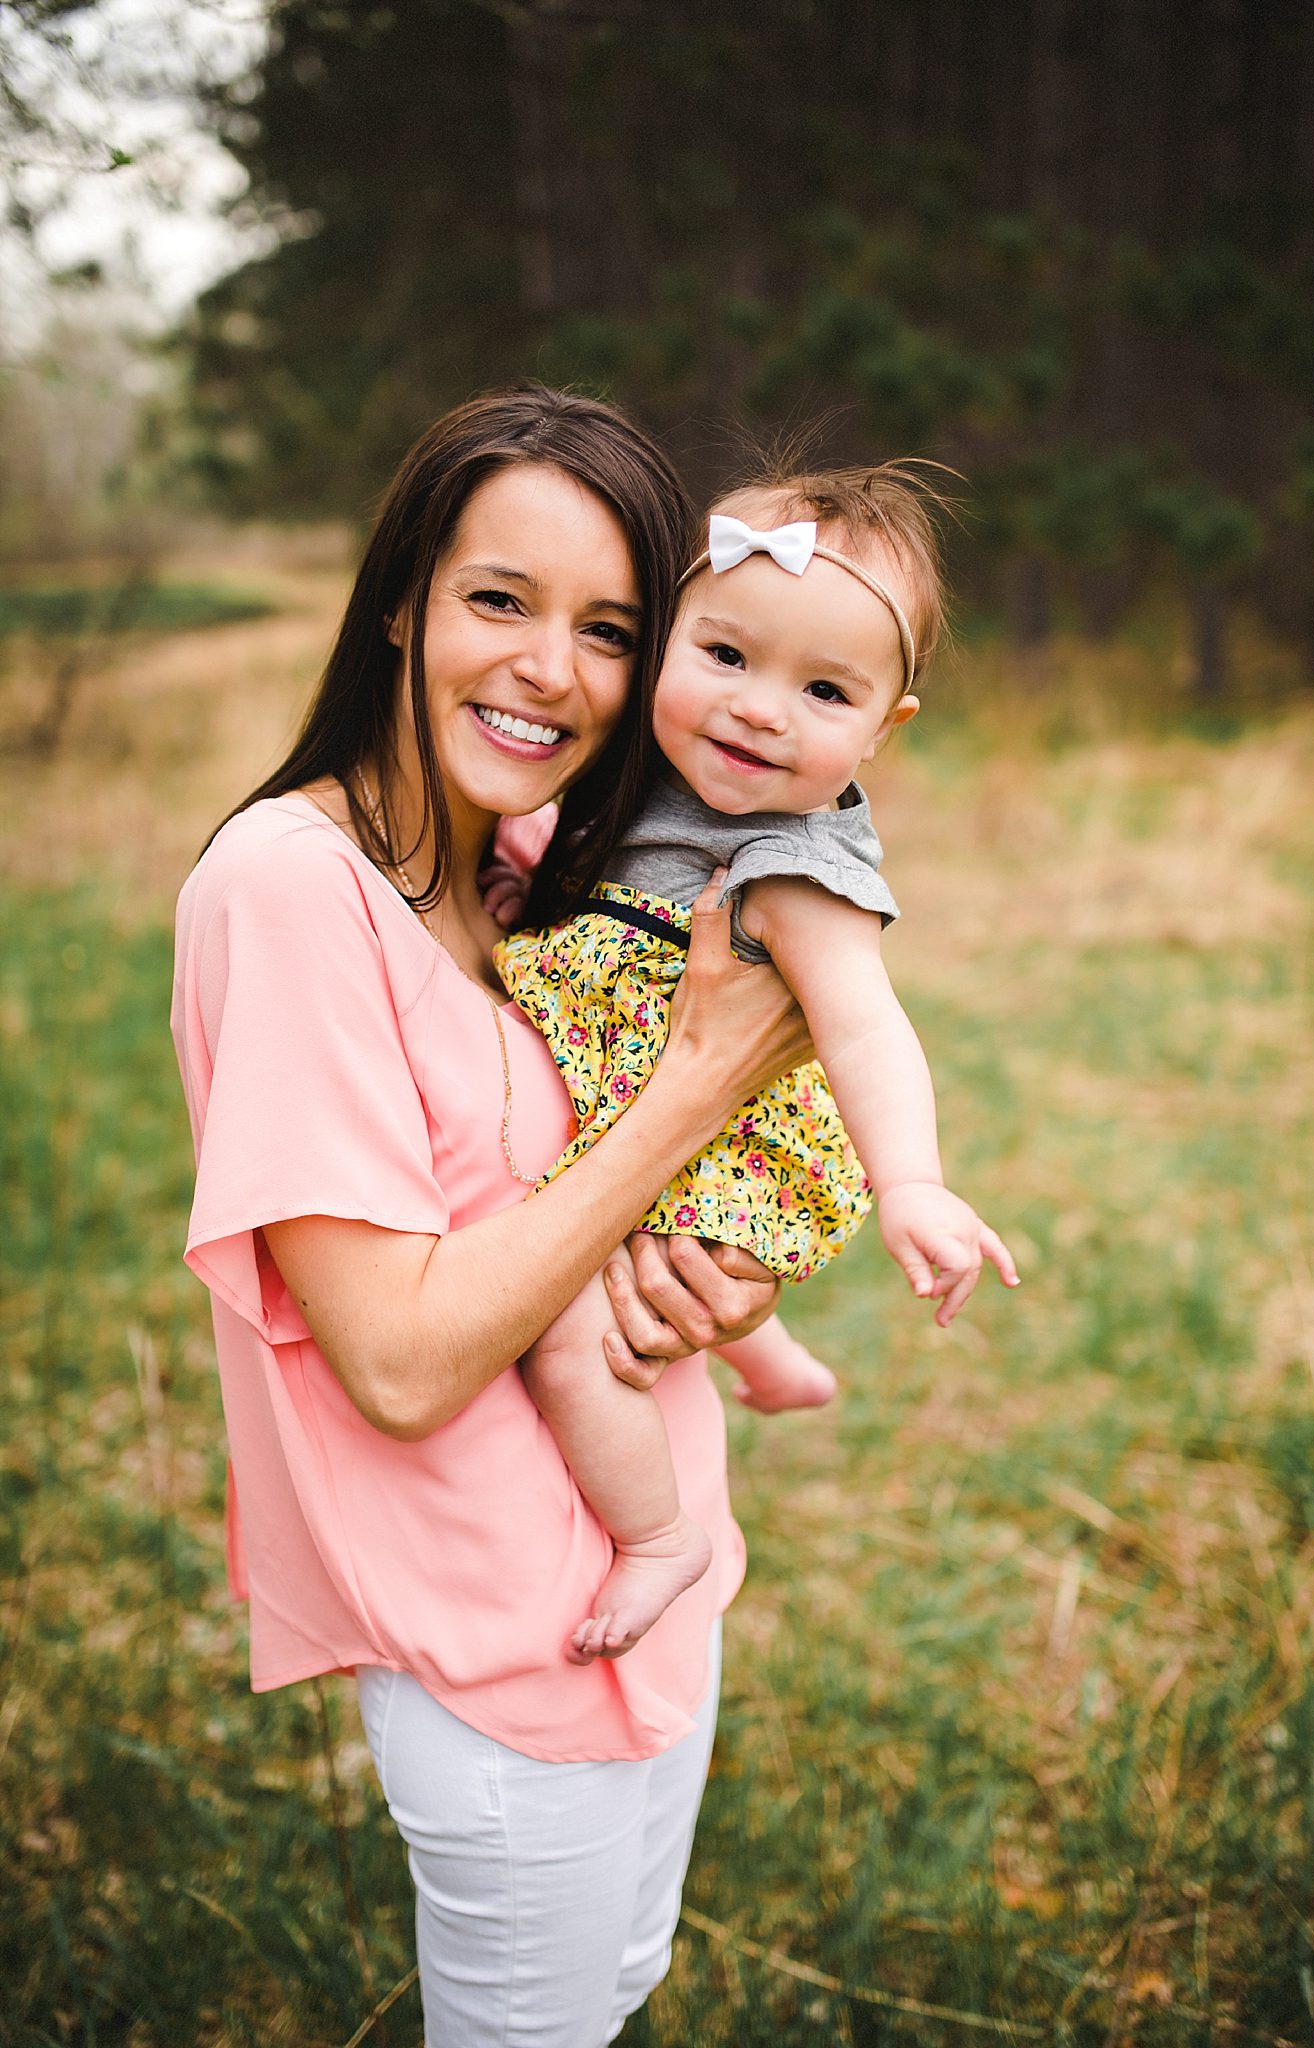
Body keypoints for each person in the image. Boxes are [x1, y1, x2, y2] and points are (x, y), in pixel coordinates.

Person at [170, 386, 815, 2048]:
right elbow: (395, 1358)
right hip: (498, 1651)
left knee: (611, 1994)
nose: (551, 669)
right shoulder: (286, 888)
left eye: (609, 627)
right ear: (402, 599)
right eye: (499, 600)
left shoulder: (525, 857)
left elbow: (591, 1190)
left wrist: (719, 1277)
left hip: (659, 1579)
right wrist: (688, 1088)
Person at [496, 467, 1020, 1663]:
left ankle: (658, 1536)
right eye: (727, 657)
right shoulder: (640, 792)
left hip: (724, 1157)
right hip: (645, 1115)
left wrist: (915, 1184)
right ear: (668, 638)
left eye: (824, 688)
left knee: (573, 1333)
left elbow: (866, 1025)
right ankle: (774, 1362)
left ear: (882, 729)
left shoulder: (793, 870)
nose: (760, 711)